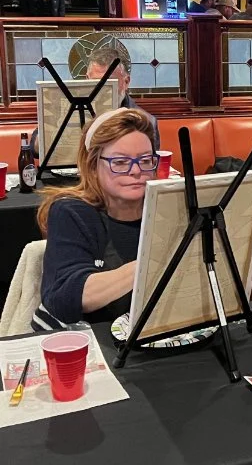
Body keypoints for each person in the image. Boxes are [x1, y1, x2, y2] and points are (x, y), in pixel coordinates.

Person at [33, 109, 157, 329]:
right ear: (92, 165)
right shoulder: (71, 213)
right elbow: (64, 298)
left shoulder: (163, 209)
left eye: (145, 160)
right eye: (120, 162)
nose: (136, 171)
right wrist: (157, 263)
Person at [32, 46, 161, 156]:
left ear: (126, 82)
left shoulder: (145, 121)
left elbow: (148, 164)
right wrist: (51, 134)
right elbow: (34, 149)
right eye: (96, 83)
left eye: (109, 83)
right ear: (87, 79)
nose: (101, 90)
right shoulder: (69, 105)